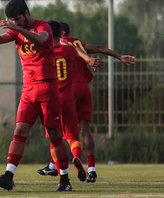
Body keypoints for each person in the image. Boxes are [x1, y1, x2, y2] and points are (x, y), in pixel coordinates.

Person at [0, 0, 72, 192]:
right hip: (28, 89)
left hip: (47, 88)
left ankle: (65, 180)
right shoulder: (17, 29)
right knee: (19, 133)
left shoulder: (43, 26)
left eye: (17, 19)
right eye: (12, 20)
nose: (15, 23)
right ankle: (8, 176)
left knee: (55, 136)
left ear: (26, 13)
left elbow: (41, 39)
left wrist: (16, 29)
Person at [37, 21, 137, 183]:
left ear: (59, 33)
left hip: (63, 92)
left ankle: (54, 166)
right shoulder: (74, 45)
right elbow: (98, 48)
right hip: (83, 88)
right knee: (83, 131)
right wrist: (118, 56)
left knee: (56, 134)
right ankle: (91, 168)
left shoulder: (51, 48)